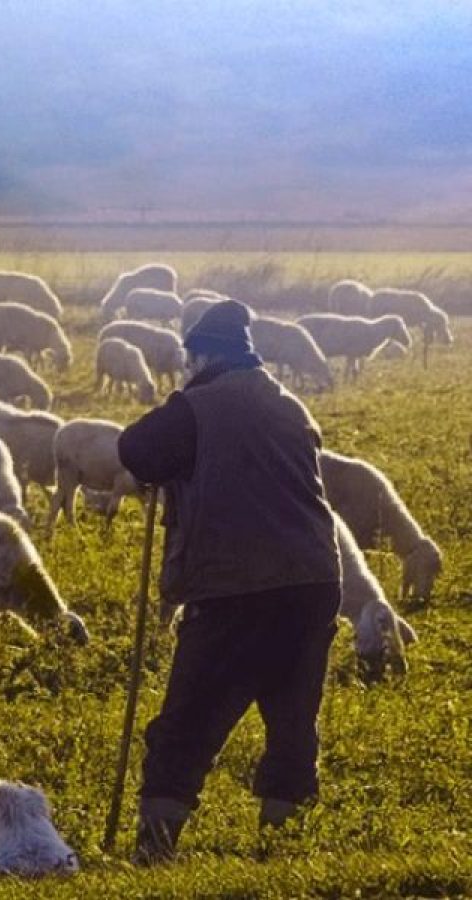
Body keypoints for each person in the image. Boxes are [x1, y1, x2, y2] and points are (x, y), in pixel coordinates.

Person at [117, 299, 341, 865]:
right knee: (292, 717)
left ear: (204, 355)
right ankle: (281, 843)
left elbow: (137, 449)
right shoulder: (290, 405)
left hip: (236, 585)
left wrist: (179, 403)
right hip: (312, 582)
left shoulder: (200, 405)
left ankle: (156, 847)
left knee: (190, 715)